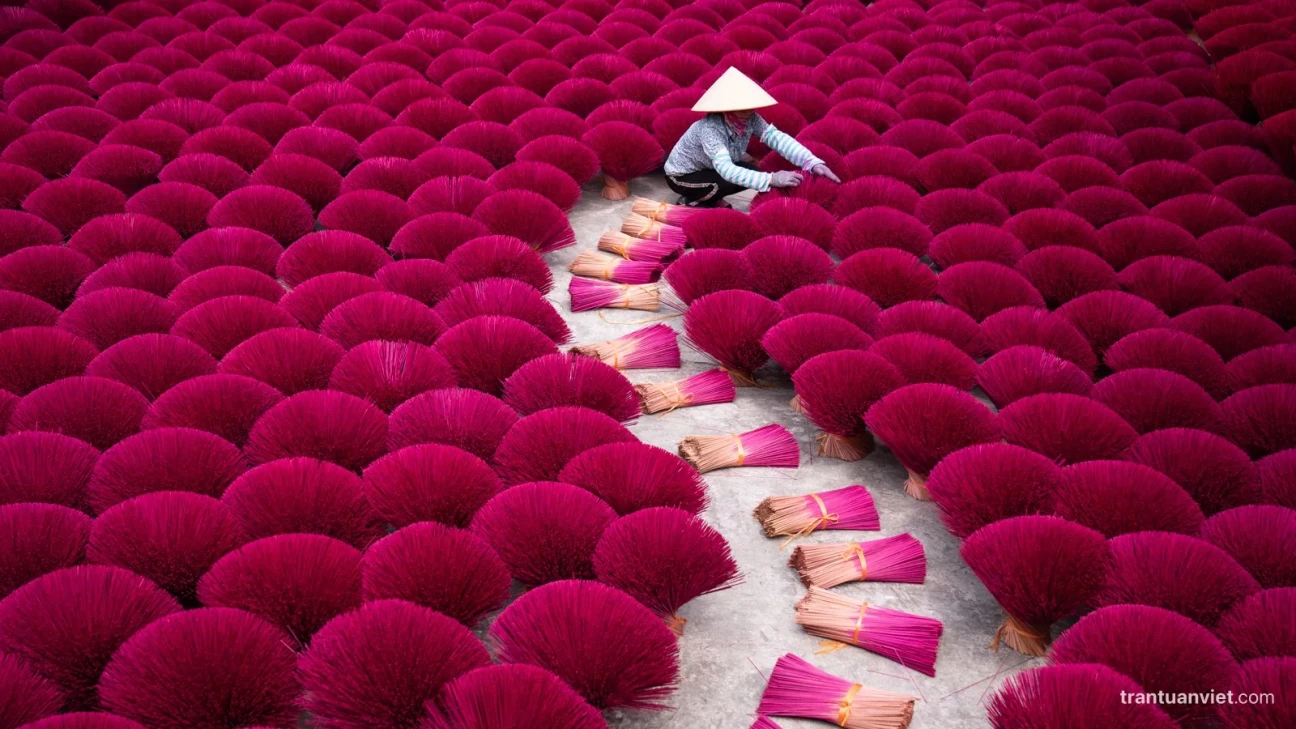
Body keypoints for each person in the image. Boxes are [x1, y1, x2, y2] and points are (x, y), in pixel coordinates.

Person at [663, 67, 842, 208]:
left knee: (753, 173)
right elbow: (726, 170)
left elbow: (776, 139)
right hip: (681, 175)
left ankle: (708, 197)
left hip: (708, 168)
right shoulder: (710, 129)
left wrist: (811, 162)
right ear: (726, 107)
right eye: (742, 107)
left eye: (750, 106)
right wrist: (771, 179)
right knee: (723, 184)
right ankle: (692, 200)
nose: (749, 112)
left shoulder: (751, 118)